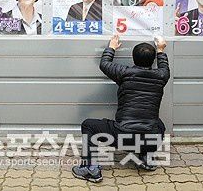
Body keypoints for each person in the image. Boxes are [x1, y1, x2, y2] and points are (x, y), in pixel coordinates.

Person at [72, 34, 170, 183]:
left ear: (133, 58)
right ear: (153, 60)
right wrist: (161, 50)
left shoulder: (125, 73)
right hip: (151, 139)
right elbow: (163, 65)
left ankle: (90, 168)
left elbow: (104, 64)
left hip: (123, 137)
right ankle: (146, 157)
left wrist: (111, 47)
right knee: (158, 124)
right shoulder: (162, 75)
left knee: (88, 125)